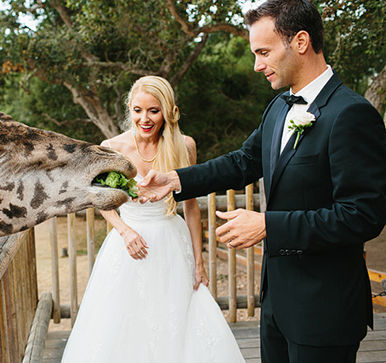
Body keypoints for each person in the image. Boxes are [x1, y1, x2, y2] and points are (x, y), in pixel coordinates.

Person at [137, 1, 386, 362]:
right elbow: (243, 162)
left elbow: (363, 215)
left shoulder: (352, 114)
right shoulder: (278, 107)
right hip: (276, 308)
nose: (257, 65)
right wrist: (174, 179)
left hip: (324, 311)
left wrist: (269, 224)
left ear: (300, 42)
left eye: (263, 52)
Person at [60, 76, 244, 362]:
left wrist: (199, 262)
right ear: (129, 110)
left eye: (153, 111)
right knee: (122, 318)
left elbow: (192, 207)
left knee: (175, 315)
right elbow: (100, 199)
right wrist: (124, 231)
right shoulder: (111, 147)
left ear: (167, 111)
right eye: (137, 110)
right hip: (127, 245)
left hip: (171, 241)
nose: (144, 119)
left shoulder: (185, 145)